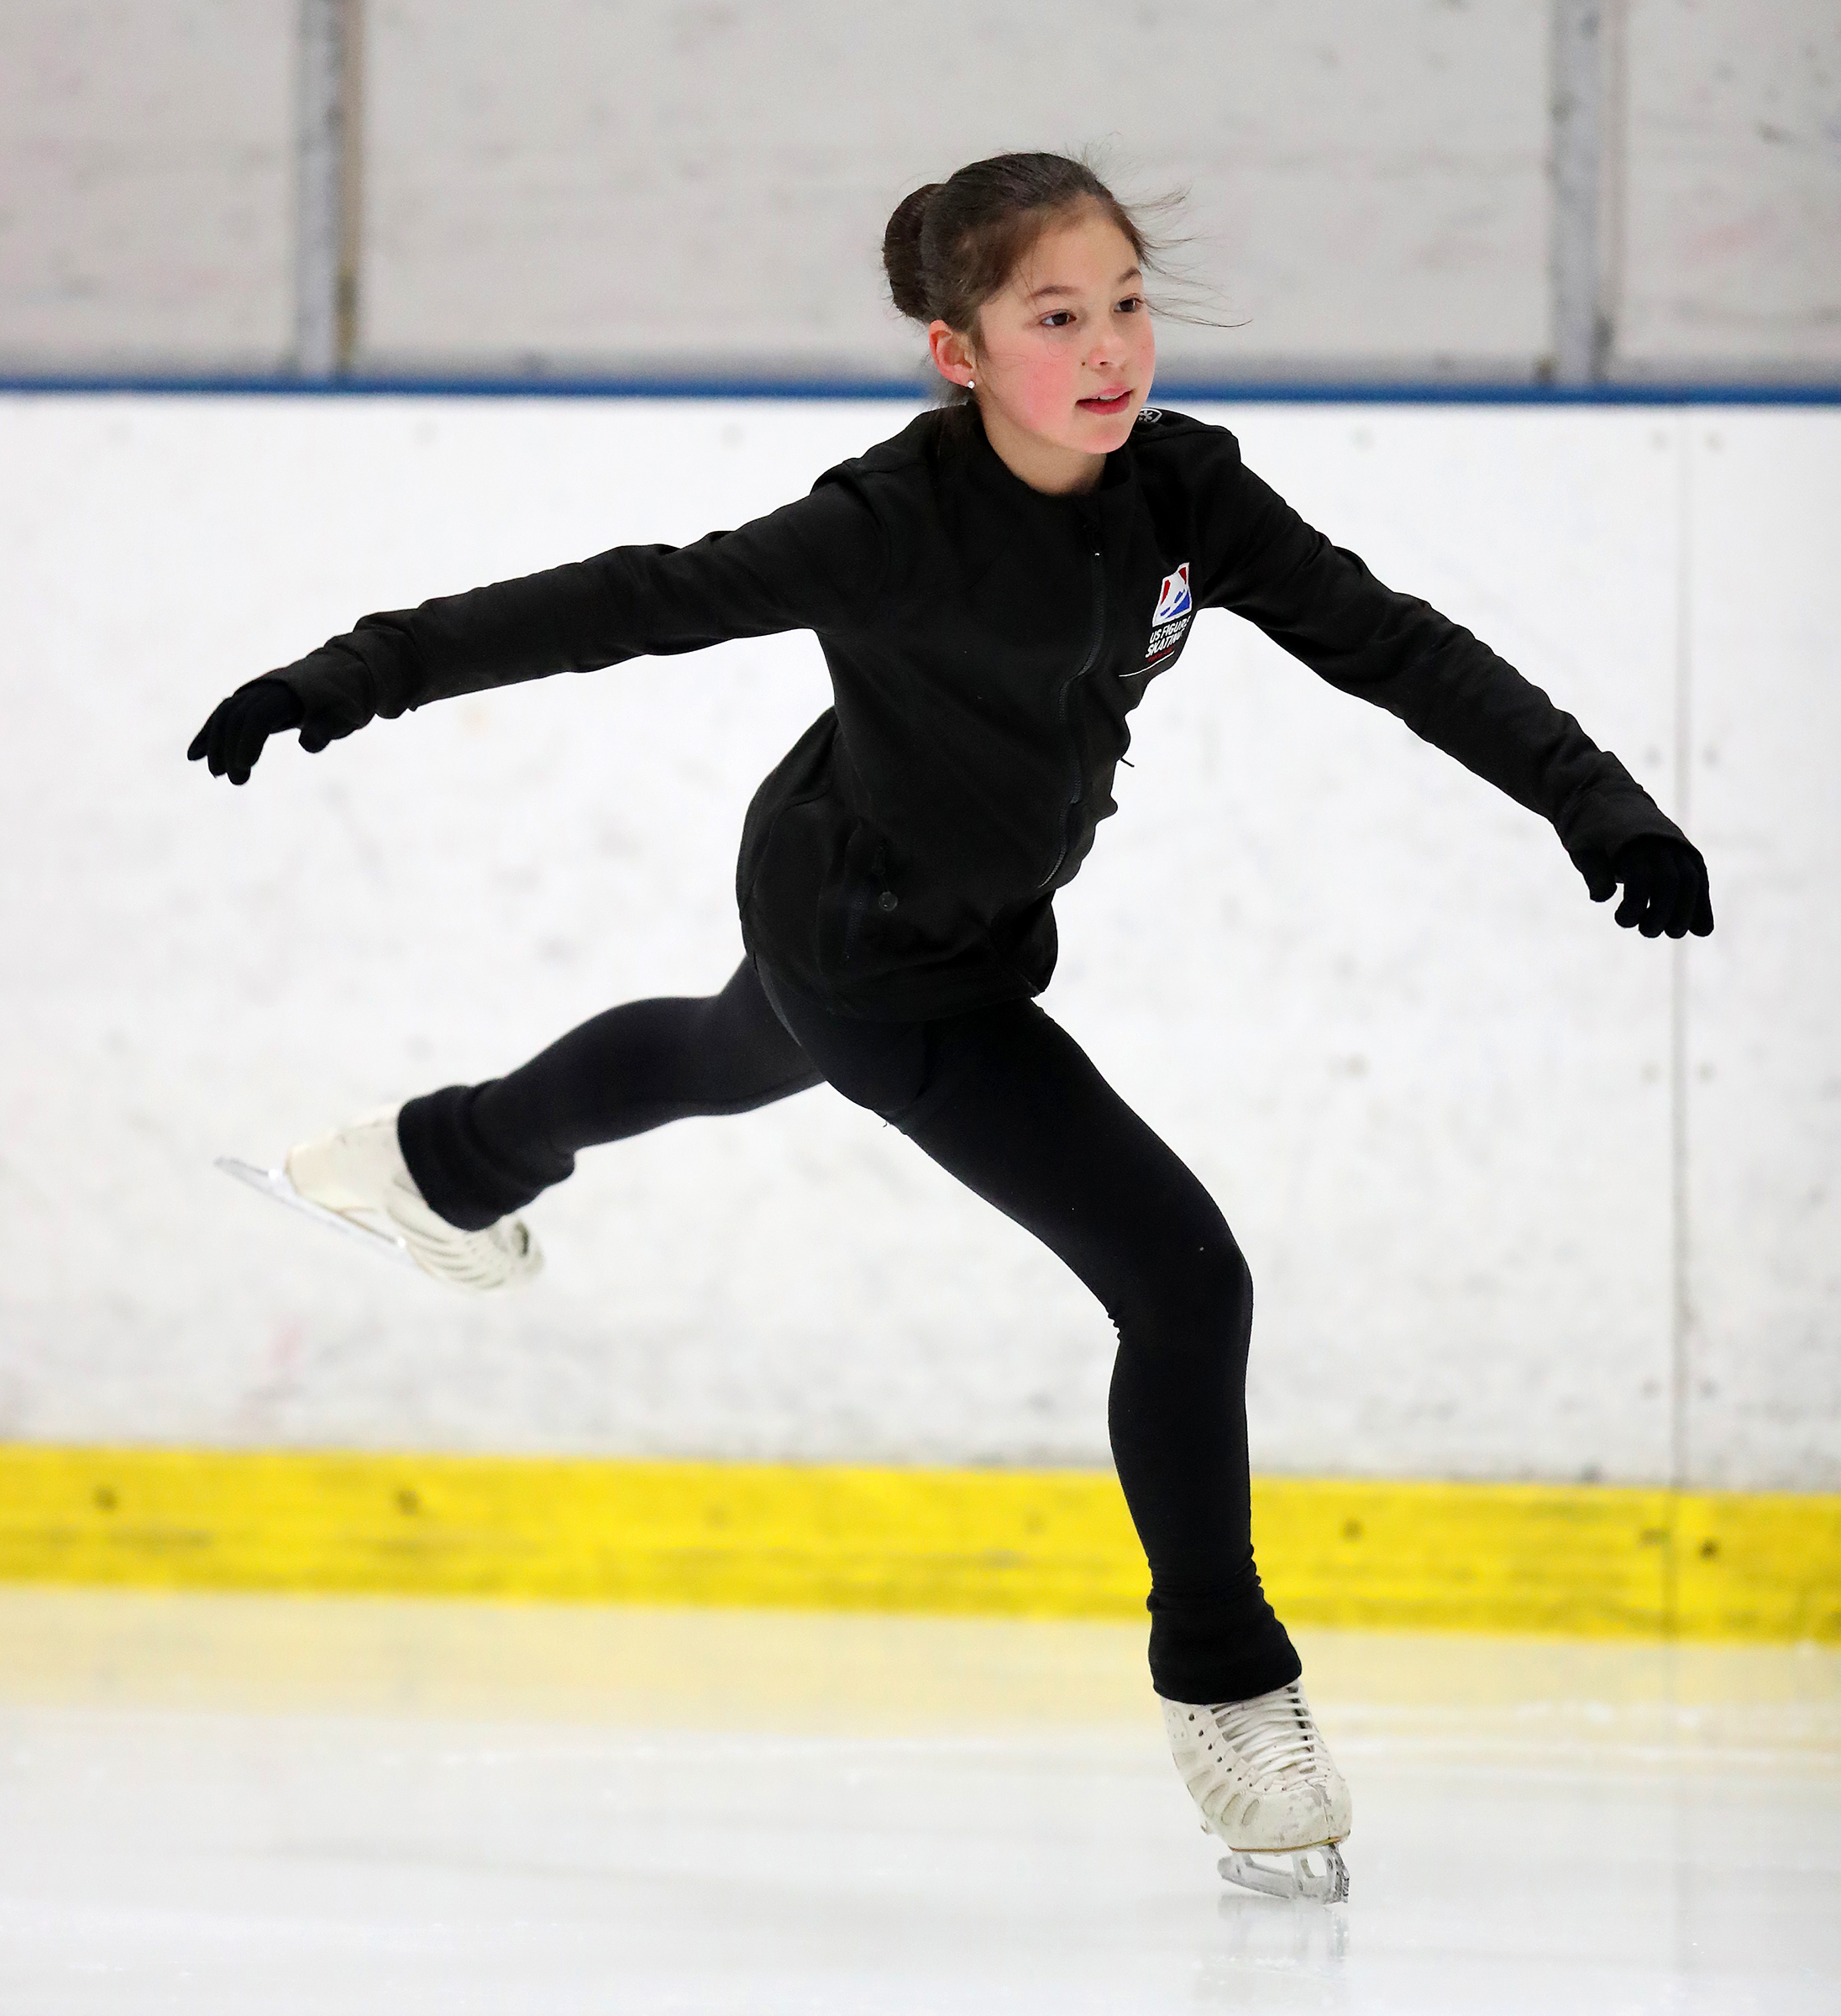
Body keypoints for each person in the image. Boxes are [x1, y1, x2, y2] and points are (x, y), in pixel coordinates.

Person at [188, 150, 1713, 1900]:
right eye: (1054, 316)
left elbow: (1395, 646)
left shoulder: (1185, 495)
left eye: (1126, 303)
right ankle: (1225, 1679)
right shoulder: (890, 525)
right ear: (958, 353)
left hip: (937, 904)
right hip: (877, 942)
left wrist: (1598, 808)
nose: (1108, 347)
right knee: (1181, 1274)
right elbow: (631, 598)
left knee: (716, 1049)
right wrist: (354, 671)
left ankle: (434, 1161)